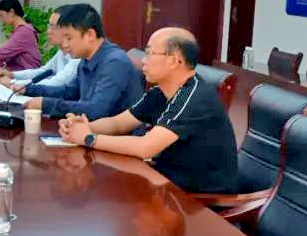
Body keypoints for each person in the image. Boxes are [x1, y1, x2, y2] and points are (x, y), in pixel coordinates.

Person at [58, 27, 239, 194]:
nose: (143, 60)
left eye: (150, 53)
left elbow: (146, 147)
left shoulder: (194, 97)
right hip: (166, 183)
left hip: (199, 199)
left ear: (174, 60)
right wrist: (82, 127)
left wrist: (89, 138)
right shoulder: (161, 92)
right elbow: (118, 123)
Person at [22, 3, 143, 119]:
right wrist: (28, 89)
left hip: (116, 133)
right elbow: (69, 92)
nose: (65, 44)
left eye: (69, 38)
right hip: (90, 129)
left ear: (90, 35)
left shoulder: (114, 63)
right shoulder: (86, 59)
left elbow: (96, 110)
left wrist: (46, 104)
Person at [0, 4, 79, 94]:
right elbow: (41, 72)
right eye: (49, 26)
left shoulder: (78, 57)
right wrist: (12, 75)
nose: (48, 31)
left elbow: (56, 84)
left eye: (53, 27)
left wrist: (14, 83)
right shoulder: (61, 52)